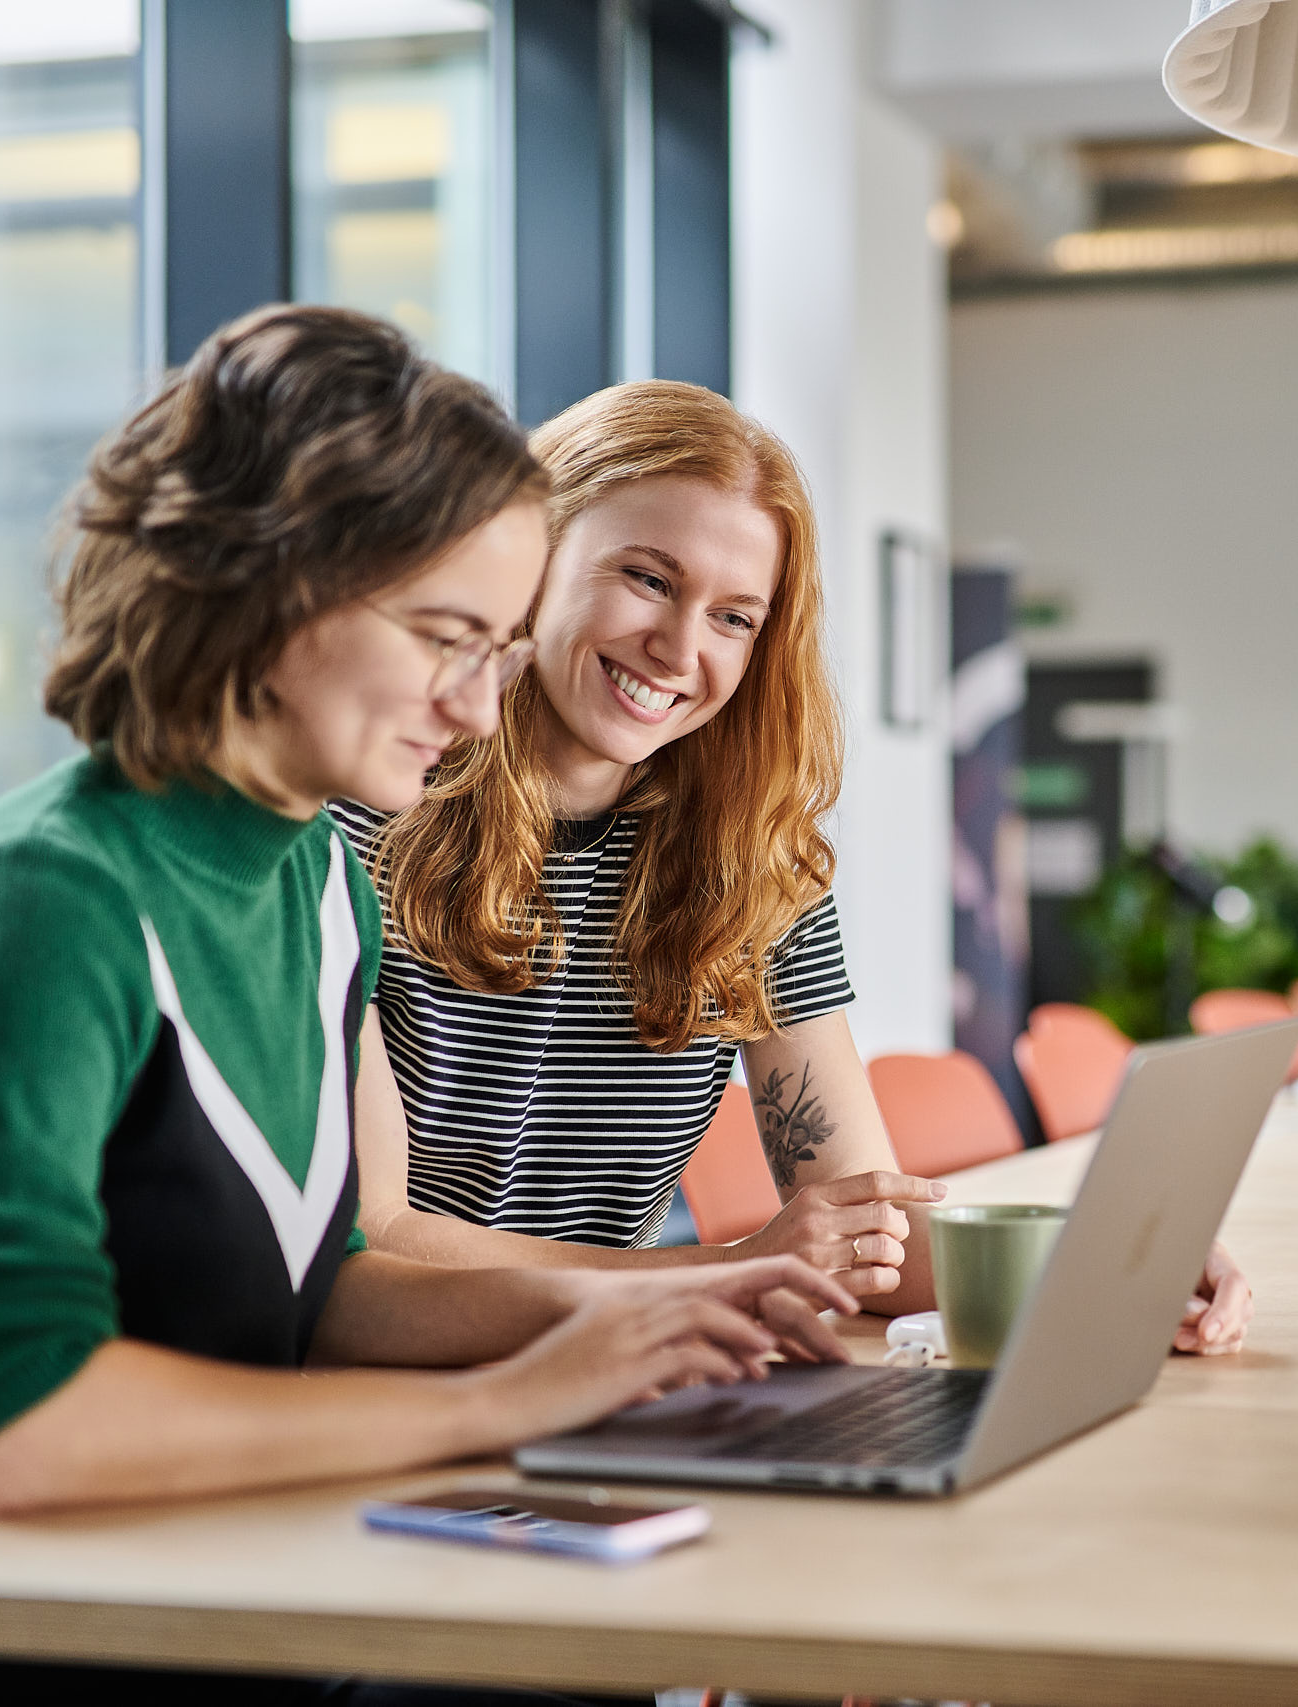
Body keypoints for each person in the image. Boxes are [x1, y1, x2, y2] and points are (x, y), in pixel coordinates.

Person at [0, 308, 852, 1707]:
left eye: (499, 645)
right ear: (275, 589)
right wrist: (505, 1397)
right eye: (451, 636)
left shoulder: (311, 884)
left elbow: (324, 1290)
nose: (477, 704)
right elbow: (14, 1434)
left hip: (211, 1550)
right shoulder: (46, 897)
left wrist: (647, 1322)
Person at [337, 380, 1251, 1352]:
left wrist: (1107, 1266)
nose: (679, 647)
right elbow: (376, 1240)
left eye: (734, 618)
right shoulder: (357, 829)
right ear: (527, 556)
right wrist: (721, 1272)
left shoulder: (747, 864)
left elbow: (857, 1228)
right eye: (646, 577)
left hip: (611, 1375)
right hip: (397, 1388)